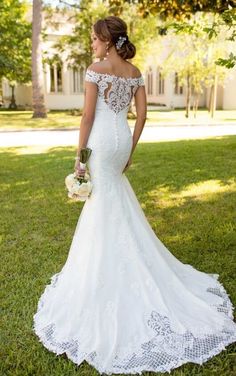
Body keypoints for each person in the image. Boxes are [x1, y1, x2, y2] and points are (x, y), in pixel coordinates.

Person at [33, 16, 236, 375]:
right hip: (121, 140)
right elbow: (141, 114)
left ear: (108, 42)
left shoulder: (96, 70)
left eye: (95, 39)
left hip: (99, 141)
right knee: (113, 197)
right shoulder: (134, 70)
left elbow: (86, 117)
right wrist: (130, 148)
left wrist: (79, 161)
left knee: (101, 201)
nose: (92, 45)